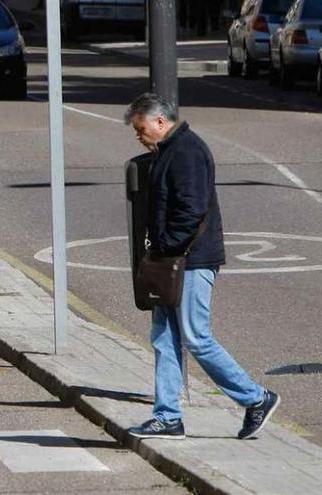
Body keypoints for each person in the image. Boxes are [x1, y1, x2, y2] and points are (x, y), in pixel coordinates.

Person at [123, 93, 279, 440]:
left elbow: (192, 211)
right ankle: (167, 416)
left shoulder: (187, 152)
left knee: (195, 336)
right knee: (164, 337)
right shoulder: (170, 151)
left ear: (160, 122)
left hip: (191, 259)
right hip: (176, 259)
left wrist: (164, 246)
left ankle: (256, 398)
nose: (139, 135)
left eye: (141, 128)